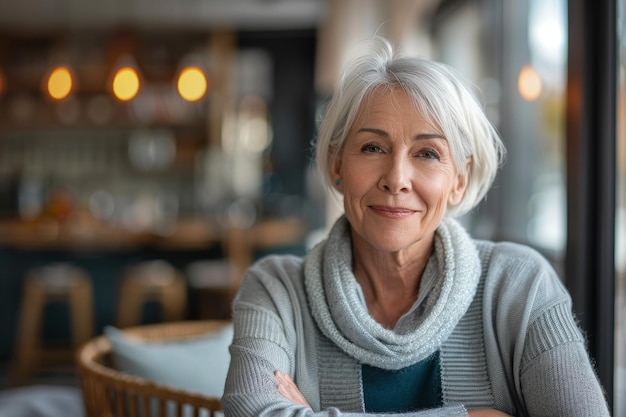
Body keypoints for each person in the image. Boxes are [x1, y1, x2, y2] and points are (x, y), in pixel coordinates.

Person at [221, 37, 610, 417]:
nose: (397, 178)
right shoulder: (275, 290)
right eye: (373, 147)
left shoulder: (522, 285)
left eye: (427, 153)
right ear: (337, 166)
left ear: (458, 180)